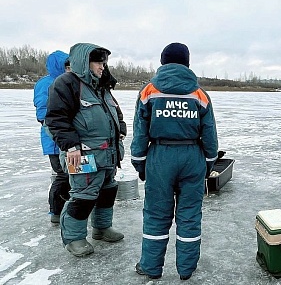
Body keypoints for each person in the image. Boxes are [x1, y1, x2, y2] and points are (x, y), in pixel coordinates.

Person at [131, 42, 218, 280]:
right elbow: (209, 134)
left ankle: (151, 267)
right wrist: (208, 163)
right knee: (189, 215)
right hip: (192, 158)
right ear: (187, 63)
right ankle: (186, 269)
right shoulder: (199, 94)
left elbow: (140, 132)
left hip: (159, 158)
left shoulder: (149, 91)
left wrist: (140, 163)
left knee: (156, 215)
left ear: (163, 62)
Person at [45, 43, 126, 257]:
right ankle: (74, 238)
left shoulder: (101, 86)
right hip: (81, 154)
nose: (102, 67)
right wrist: (70, 146)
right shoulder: (67, 84)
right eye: (98, 62)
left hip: (107, 154)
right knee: (83, 195)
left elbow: (115, 112)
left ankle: (101, 228)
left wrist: (121, 129)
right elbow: (55, 120)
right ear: (84, 62)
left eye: (104, 63)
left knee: (108, 191)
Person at [33, 50, 71, 223]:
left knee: (71, 174)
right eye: (66, 65)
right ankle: (55, 211)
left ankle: (68, 208)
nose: (69, 68)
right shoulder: (46, 84)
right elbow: (42, 113)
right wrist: (57, 134)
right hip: (54, 140)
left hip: (68, 137)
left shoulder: (68, 82)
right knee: (62, 175)